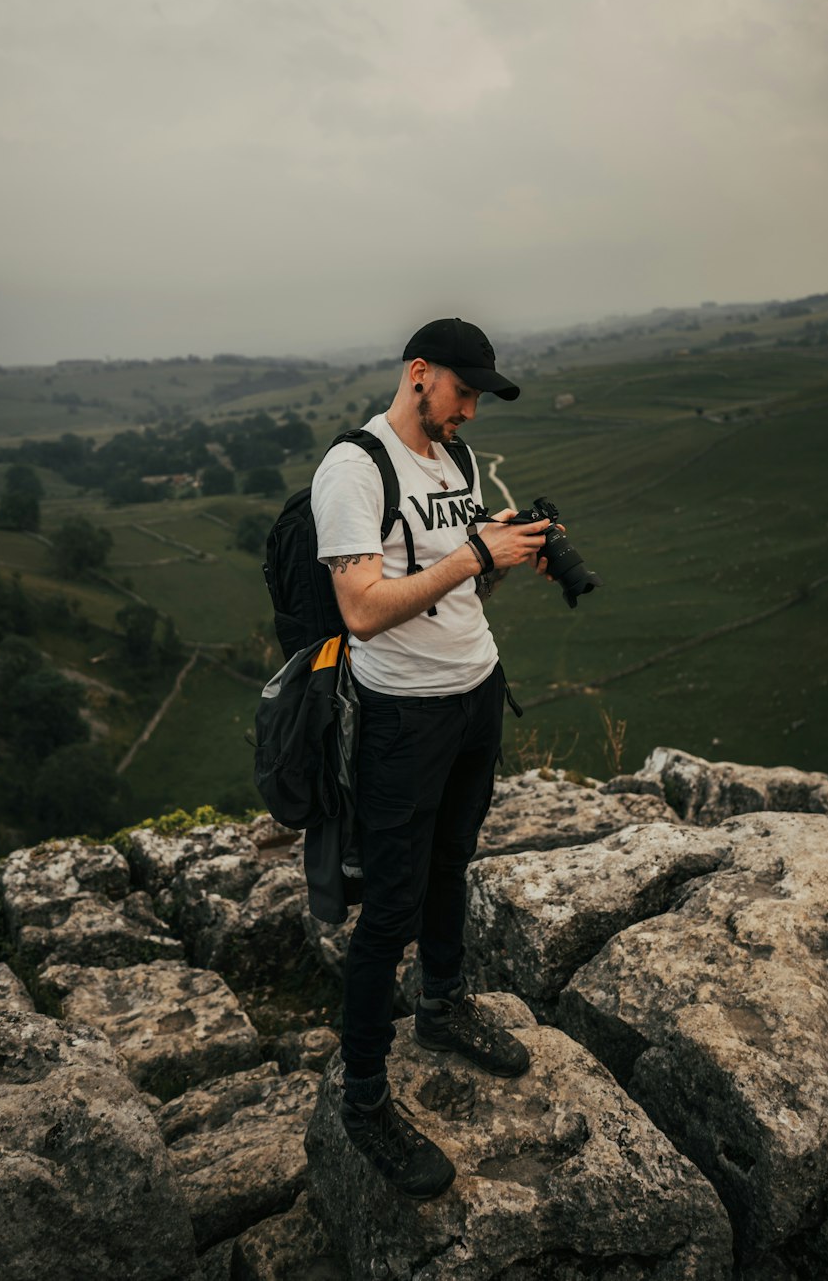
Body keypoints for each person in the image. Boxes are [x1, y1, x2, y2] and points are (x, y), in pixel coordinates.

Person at [310, 317, 553, 1200]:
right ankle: (366, 1096)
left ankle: (443, 1006)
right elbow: (366, 611)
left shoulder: (456, 463)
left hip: (476, 691)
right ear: (419, 374)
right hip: (402, 716)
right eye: (463, 392)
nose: (473, 413)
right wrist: (474, 554)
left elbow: (451, 574)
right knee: (391, 906)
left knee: (454, 861)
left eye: (482, 397)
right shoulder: (353, 470)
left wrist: (503, 548)